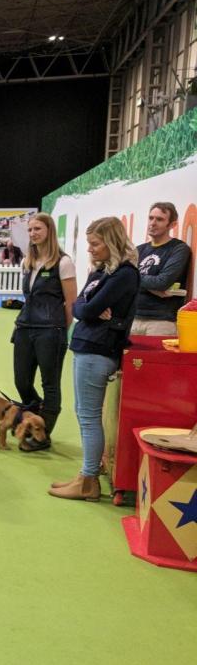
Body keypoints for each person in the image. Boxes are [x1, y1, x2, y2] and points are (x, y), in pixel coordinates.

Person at [50, 217, 140, 501]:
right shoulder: (102, 271)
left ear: (111, 242)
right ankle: (85, 475)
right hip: (88, 346)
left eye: (95, 243)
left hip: (99, 350)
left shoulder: (124, 274)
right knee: (84, 414)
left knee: (89, 417)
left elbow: (87, 310)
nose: (90, 249)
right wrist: (87, 308)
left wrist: (88, 308)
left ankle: (89, 480)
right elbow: (78, 306)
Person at [12, 213, 77, 450]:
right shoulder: (27, 262)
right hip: (25, 328)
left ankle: (43, 434)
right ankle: (35, 418)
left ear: (49, 230)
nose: (32, 234)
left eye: (37, 229)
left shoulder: (63, 262)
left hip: (51, 330)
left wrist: (61, 330)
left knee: (50, 383)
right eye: (30, 230)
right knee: (21, 380)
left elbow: (71, 302)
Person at [131, 202, 193, 336]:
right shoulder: (139, 250)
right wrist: (151, 287)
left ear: (172, 225)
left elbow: (162, 282)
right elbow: (124, 280)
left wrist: (135, 279)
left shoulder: (179, 249)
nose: (152, 223)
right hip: (133, 318)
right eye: (151, 218)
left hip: (161, 322)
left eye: (159, 219)